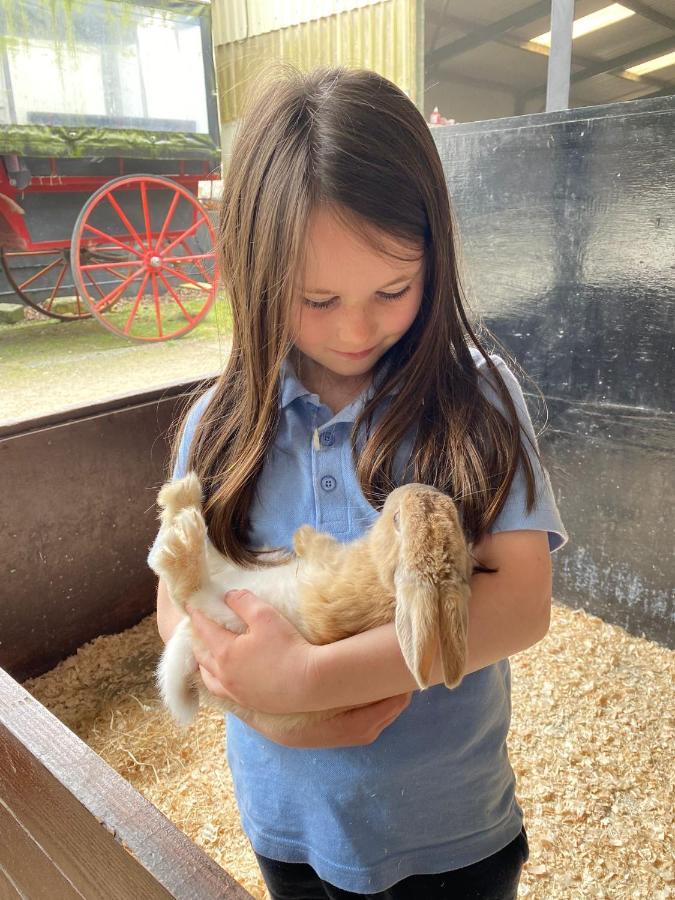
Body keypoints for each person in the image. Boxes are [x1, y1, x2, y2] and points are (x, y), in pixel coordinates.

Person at [154, 64, 568, 900]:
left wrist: (310, 684)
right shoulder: (220, 424)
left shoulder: (476, 398)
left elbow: (520, 603)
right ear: (255, 277)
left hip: (452, 831)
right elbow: (178, 599)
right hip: (288, 827)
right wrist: (267, 705)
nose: (356, 327)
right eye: (315, 299)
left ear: (435, 255)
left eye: (392, 289)